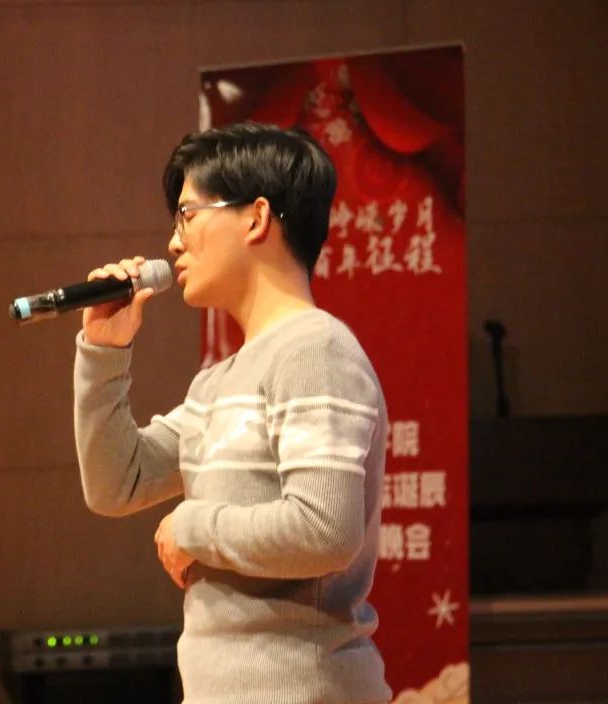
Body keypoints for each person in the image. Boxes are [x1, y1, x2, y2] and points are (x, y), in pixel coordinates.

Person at [72, 122, 391, 704]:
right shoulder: (217, 383)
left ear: (256, 218)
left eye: (187, 216)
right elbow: (117, 484)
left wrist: (192, 528)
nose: (173, 244)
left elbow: (325, 528)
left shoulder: (316, 349)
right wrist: (104, 353)